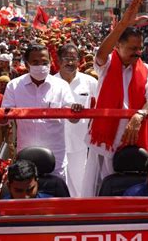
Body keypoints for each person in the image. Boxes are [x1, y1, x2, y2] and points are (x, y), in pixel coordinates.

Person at [83, 0, 148, 197]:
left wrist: (140, 114)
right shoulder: (107, 64)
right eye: (132, 48)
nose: (138, 52)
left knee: (128, 188)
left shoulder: (146, 69)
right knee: (100, 188)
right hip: (105, 138)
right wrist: (123, 23)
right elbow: (101, 52)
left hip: (132, 137)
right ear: (118, 47)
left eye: (140, 48)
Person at [0, 44, 80, 180]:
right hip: (26, 155)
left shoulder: (61, 86)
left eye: (44, 62)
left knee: (56, 195)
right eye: (35, 62)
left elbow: (73, 118)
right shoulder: (14, 86)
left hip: (56, 156)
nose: (41, 66)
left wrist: (76, 111)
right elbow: (4, 119)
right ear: (27, 64)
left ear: (50, 63)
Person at [55, 44, 97, 197]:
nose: (70, 63)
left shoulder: (90, 82)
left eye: (74, 59)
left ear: (79, 61)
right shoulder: (51, 82)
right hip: (55, 142)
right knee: (59, 183)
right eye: (66, 59)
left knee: (81, 184)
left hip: (80, 142)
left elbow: (99, 107)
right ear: (59, 60)